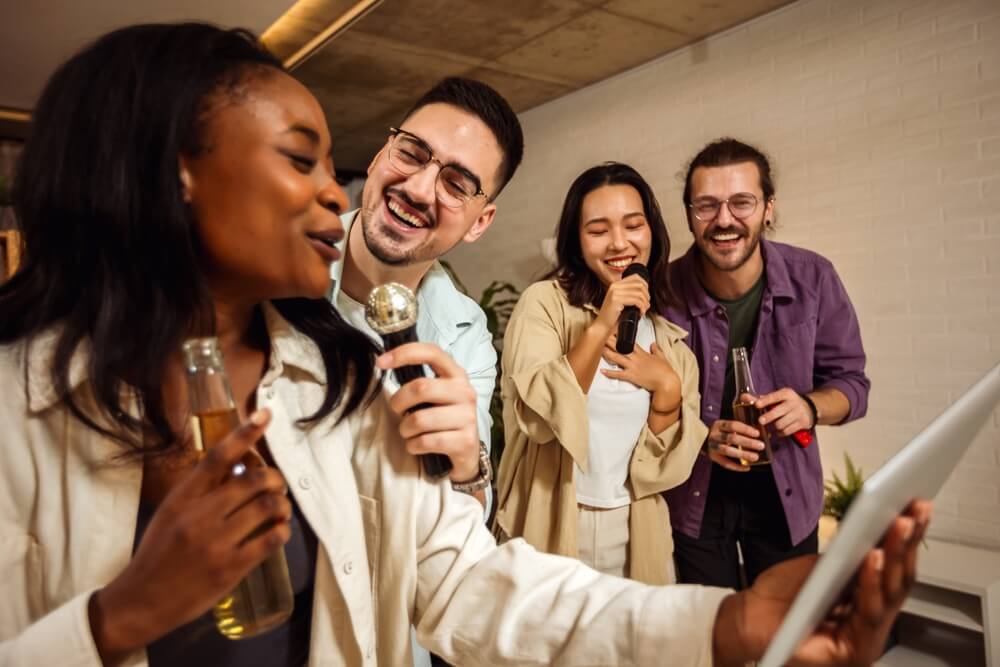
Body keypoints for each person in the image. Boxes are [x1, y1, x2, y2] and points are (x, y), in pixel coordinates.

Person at [0, 23, 928, 667]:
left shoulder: (340, 385)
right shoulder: (17, 402)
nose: (344, 192)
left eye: (335, 164)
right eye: (302, 159)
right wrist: (117, 619)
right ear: (176, 170)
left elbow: (471, 577)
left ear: (480, 218)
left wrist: (724, 626)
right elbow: (544, 423)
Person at [664, 138, 872, 589]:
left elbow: (853, 385)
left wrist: (810, 407)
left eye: (742, 202)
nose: (724, 220)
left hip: (786, 495)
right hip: (694, 494)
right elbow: (635, 403)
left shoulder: (815, 277)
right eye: (706, 205)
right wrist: (702, 437)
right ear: (688, 213)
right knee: (710, 640)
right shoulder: (662, 290)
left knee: (786, 636)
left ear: (768, 208)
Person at [493, 163, 705, 584]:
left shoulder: (670, 342)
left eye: (633, 225)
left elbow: (664, 470)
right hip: (550, 521)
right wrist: (601, 322)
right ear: (576, 240)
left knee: (635, 649)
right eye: (598, 230)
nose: (619, 243)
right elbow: (536, 420)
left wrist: (667, 389)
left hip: (637, 530)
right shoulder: (544, 306)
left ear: (652, 233)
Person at [330, 76, 525, 514]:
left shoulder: (467, 333)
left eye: (456, 185)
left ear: (480, 221)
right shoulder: (275, 264)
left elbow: (472, 514)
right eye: (411, 154)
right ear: (382, 153)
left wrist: (464, 466)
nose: (418, 189)